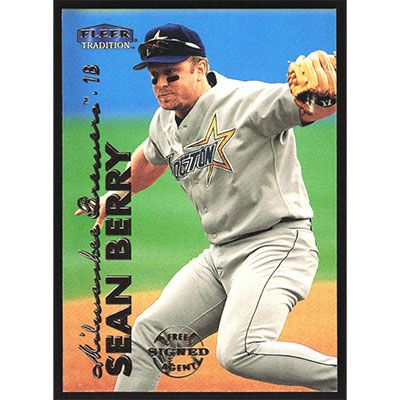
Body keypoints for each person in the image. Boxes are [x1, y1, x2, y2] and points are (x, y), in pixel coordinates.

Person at [79, 23, 338, 392]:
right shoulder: (164, 121)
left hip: (276, 245)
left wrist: (326, 100)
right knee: (148, 336)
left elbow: (307, 108)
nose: (162, 84)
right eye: (154, 76)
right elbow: (151, 156)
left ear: (200, 68)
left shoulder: (247, 101)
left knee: (241, 351)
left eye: (172, 74)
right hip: (220, 256)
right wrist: (117, 192)